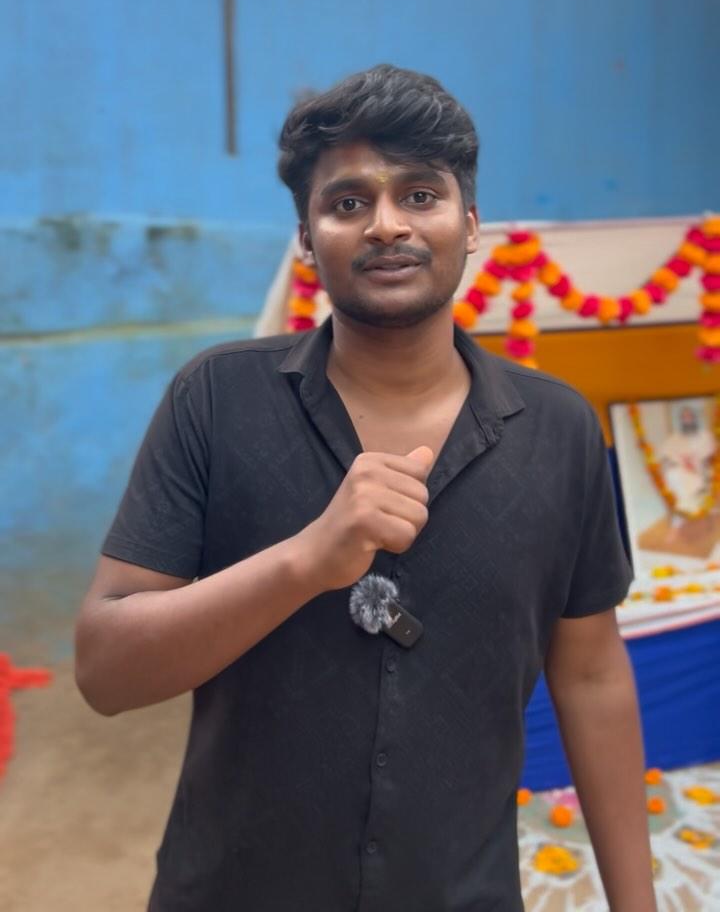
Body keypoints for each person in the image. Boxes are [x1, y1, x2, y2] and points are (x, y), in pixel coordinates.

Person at [75, 65, 656, 912]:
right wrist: (306, 561)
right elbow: (104, 671)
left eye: (421, 195)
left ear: (471, 223)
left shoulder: (559, 431)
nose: (387, 224)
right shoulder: (215, 401)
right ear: (307, 240)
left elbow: (595, 677)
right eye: (348, 203)